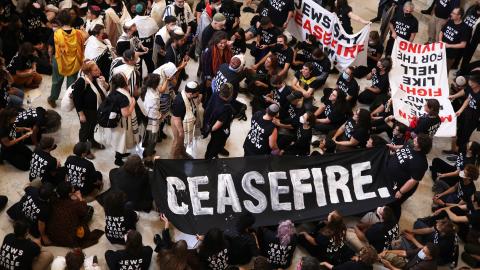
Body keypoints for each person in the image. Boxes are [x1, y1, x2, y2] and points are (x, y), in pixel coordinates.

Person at [387, 134, 432, 219]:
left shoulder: (421, 163)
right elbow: (403, 147)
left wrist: (401, 192)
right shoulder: (411, 144)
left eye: (416, 140)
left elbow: (413, 180)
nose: (414, 139)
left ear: (420, 146)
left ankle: (393, 220)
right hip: (390, 179)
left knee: (393, 204)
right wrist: (393, 147)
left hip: (400, 186)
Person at [46, 181, 104, 248]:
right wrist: (80, 198)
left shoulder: (53, 200)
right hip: (69, 239)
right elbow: (84, 210)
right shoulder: (75, 204)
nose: (74, 189)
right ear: (70, 194)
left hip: (53, 236)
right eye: (72, 189)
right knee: (89, 209)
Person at [47, 9, 86, 108]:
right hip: (74, 61)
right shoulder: (78, 33)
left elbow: (51, 48)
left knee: (56, 81)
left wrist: (50, 57)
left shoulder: (57, 33)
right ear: (70, 20)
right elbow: (83, 44)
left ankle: (53, 99)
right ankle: (69, 101)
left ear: (59, 20)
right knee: (72, 82)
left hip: (59, 60)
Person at [73, 60, 108, 159]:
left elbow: (107, 88)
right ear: (89, 72)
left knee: (93, 128)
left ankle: (93, 142)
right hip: (86, 112)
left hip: (96, 110)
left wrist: (104, 83)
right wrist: (81, 114)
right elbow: (77, 99)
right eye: (96, 70)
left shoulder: (97, 78)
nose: (99, 71)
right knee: (85, 131)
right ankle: (84, 150)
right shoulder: (81, 82)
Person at [107, 73, 139, 166]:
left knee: (120, 140)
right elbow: (126, 113)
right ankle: (118, 159)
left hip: (117, 121)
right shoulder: (122, 97)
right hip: (121, 123)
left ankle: (121, 152)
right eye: (126, 78)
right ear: (123, 82)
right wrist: (133, 102)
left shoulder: (114, 91)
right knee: (120, 140)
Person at [171, 81, 201, 159]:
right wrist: (181, 131)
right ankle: (174, 159)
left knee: (183, 141)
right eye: (196, 93)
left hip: (184, 121)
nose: (197, 95)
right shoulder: (179, 101)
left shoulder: (188, 96)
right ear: (191, 93)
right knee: (177, 142)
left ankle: (183, 153)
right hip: (178, 123)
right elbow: (176, 118)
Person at [201, 31, 233, 102]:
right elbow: (205, 66)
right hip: (211, 76)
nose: (223, 45)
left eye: (225, 42)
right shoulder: (209, 51)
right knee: (209, 92)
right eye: (221, 43)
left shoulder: (227, 49)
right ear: (216, 42)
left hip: (220, 76)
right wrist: (209, 78)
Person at [204, 82, 234, 159]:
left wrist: (207, 126)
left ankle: (219, 148)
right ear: (230, 94)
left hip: (209, 120)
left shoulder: (216, 94)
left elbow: (208, 107)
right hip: (219, 131)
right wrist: (211, 130)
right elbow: (218, 125)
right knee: (215, 143)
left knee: (216, 142)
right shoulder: (226, 108)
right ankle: (210, 158)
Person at [129, 3, 159, 73]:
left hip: (137, 47)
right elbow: (156, 30)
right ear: (145, 10)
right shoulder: (150, 20)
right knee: (150, 64)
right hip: (149, 45)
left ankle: (139, 81)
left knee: (138, 65)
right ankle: (152, 80)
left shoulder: (132, 22)